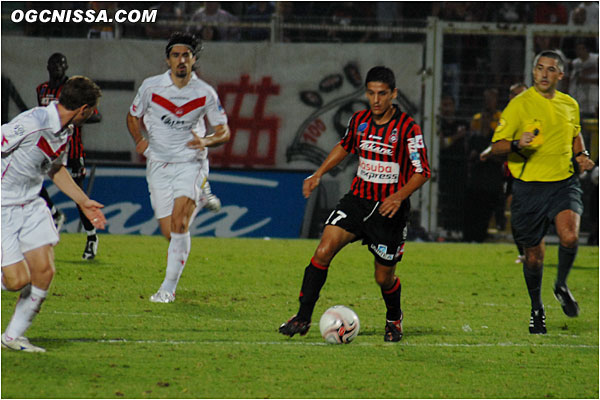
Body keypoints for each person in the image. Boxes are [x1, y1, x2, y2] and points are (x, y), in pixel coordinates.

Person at [279, 66, 431, 342]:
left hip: (389, 211)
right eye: (371, 93)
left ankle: (393, 319)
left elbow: (423, 171)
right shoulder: (359, 120)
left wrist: (398, 196)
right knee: (323, 250)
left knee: (383, 278)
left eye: (382, 94)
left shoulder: (409, 129)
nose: (376, 100)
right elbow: (345, 145)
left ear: (393, 94)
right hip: (357, 202)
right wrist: (318, 173)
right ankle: (302, 317)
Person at [490, 50, 595, 334]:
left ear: (561, 75)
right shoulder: (519, 105)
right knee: (534, 257)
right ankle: (537, 308)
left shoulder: (569, 104)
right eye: (540, 68)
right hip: (529, 189)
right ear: (533, 72)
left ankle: (561, 285)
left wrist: (583, 154)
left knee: (570, 236)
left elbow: (575, 134)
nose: (544, 74)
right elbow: (495, 147)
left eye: (551, 69)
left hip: (564, 183)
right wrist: (515, 144)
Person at [1, 76, 106, 352]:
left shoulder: (65, 131)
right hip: (3, 207)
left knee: (44, 271)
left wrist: (83, 202)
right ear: (83, 109)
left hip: (31, 205)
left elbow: (55, 168)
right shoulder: (32, 123)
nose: (92, 115)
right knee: (16, 281)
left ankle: (13, 337)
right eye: (91, 110)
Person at [126, 32, 230, 303]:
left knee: (180, 223)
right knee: (168, 232)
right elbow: (132, 116)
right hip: (158, 163)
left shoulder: (205, 93)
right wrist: (139, 140)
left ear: (194, 59)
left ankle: (167, 289)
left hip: (190, 162)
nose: (181, 60)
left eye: (186, 55)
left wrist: (205, 140)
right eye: (176, 55)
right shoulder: (151, 87)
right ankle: (203, 192)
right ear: (168, 60)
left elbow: (224, 131)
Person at [36, 52, 103, 260]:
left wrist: (72, 120)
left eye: (61, 64)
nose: (58, 68)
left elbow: (95, 115)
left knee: (78, 195)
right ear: (48, 66)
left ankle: (91, 237)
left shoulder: (73, 90)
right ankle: (54, 213)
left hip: (72, 150)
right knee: (35, 182)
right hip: (48, 146)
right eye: (54, 64)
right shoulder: (42, 90)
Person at [463, 88, 505, 242]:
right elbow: (470, 144)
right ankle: (471, 237)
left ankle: (487, 232)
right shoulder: (476, 119)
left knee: (489, 207)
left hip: (492, 176)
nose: (488, 102)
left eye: (491, 98)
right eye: (486, 98)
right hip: (477, 175)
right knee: (474, 208)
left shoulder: (502, 119)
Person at [569, 39, 599, 117]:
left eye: (582, 48)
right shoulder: (575, 63)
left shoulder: (596, 59)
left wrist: (587, 80)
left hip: (595, 100)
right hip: (581, 100)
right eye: (577, 49)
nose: (579, 51)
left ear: (587, 49)